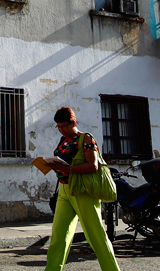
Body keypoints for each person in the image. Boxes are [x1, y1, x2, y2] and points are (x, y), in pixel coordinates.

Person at [45, 107, 120, 271]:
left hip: (83, 191)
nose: (61, 130)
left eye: (64, 126)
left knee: (96, 236)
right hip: (64, 190)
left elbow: (92, 166)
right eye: (58, 126)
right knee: (59, 236)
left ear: (73, 122)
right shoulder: (63, 140)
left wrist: (68, 169)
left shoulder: (85, 139)